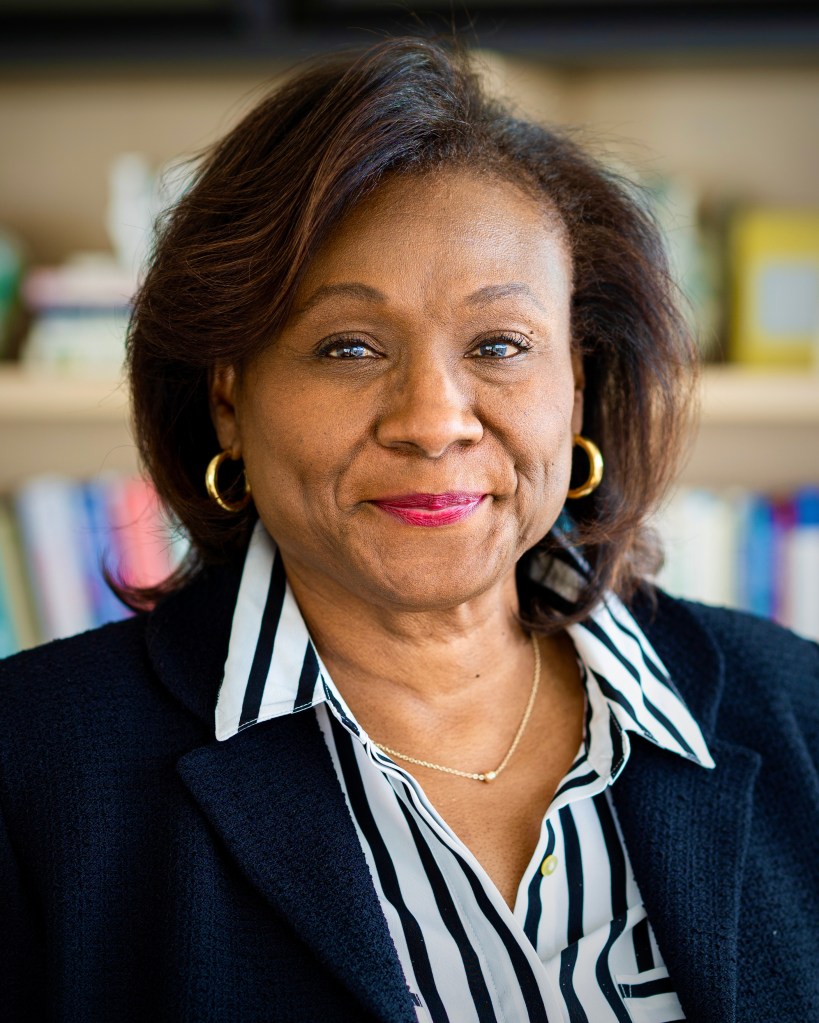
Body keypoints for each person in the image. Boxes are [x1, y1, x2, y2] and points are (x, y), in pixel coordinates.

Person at [1, 36, 817, 1023]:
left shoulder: (799, 711)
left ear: (582, 386)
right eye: (348, 346)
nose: (433, 418)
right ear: (228, 398)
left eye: (500, 345)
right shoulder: (31, 773)